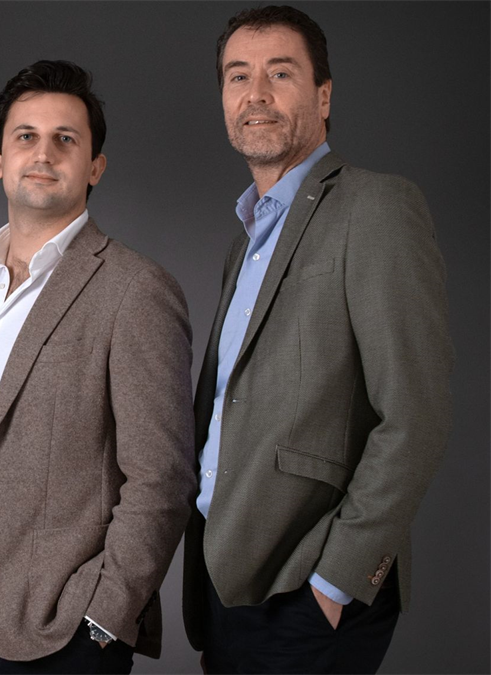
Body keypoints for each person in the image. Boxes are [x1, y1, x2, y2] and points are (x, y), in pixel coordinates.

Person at [0, 60, 196, 675]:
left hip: (64, 632)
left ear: (95, 166)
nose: (44, 153)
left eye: (66, 139)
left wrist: (104, 619)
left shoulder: (136, 290)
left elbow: (162, 478)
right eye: (25, 135)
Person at [183, 7, 453, 674]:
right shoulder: (246, 241)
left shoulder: (375, 207)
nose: (256, 94)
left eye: (280, 73)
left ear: (324, 96)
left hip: (306, 589)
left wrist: (336, 580)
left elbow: (416, 414)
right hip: (225, 580)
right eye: (238, 76)